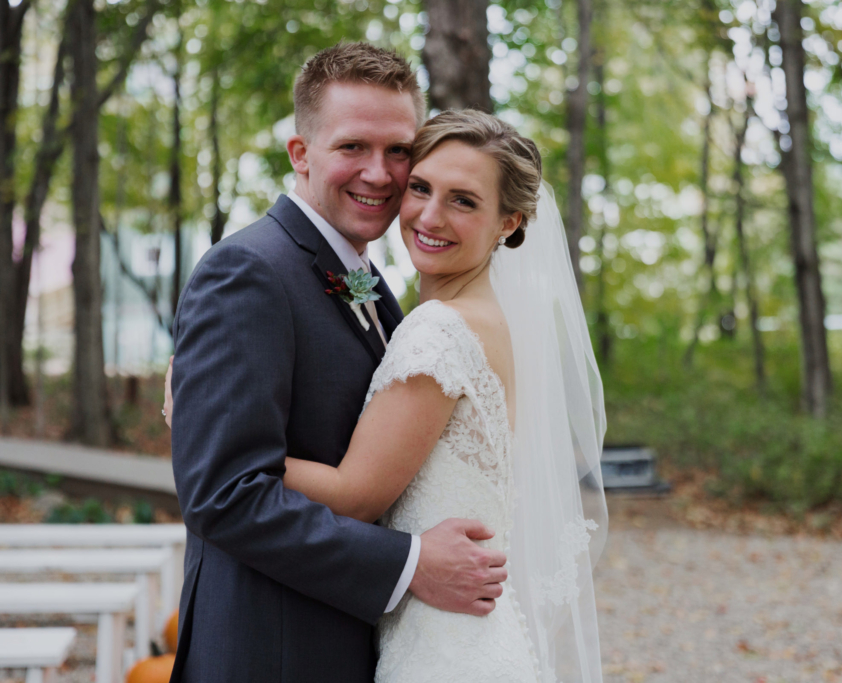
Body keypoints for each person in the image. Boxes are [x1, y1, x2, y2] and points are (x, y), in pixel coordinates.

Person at [168, 44, 608, 683]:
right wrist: (410, 563)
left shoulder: (379, 290)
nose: (380, 173)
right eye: (352, 147)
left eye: (399, 152)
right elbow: (224, 493)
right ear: (301, 153)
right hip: (273, 652)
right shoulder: (249, 272)